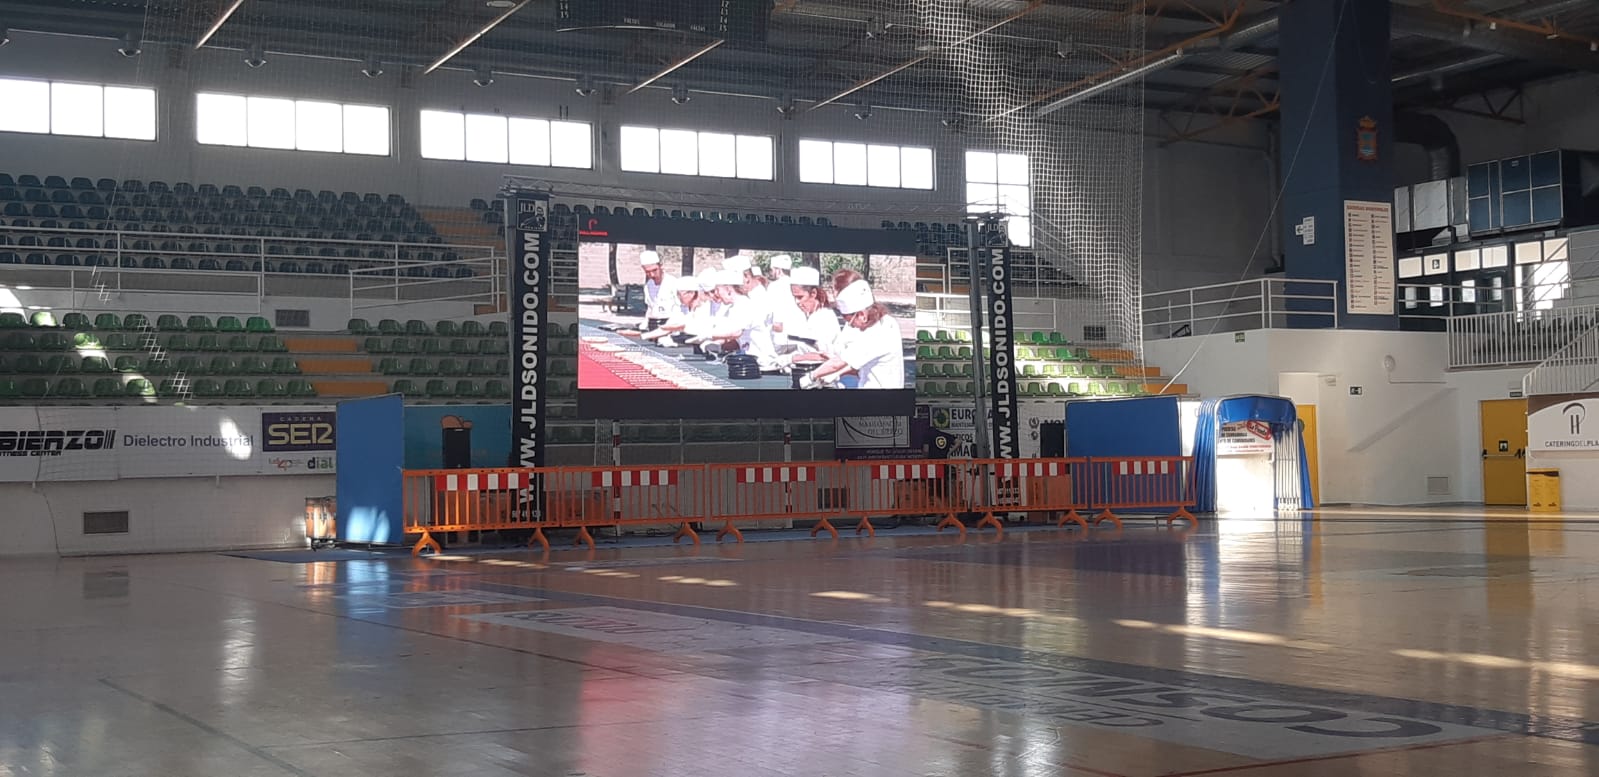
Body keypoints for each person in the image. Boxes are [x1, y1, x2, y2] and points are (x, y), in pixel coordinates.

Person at [801, 279, 905, 390]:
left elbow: (837, 363)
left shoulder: (874, 335)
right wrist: (836, 373)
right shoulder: (887, 322)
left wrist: (811, 377)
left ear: (862, 315)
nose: (851, 326)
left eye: (850, 321)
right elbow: (860, 365)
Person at [690, 268, 781, 369]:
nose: (716, 294)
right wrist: (718, 347)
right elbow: (739, 341)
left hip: (764, 363)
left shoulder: (744, 304)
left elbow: (736, 333)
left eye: (718, 290)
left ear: (728, 290)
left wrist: (708, 335)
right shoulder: (733, 308)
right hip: (750, 362)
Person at [774, 266, 841, 360]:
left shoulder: (826, 317)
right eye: (795, 297)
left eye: (800, 297)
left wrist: (793, 358)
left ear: (813, 293)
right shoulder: (799, 315)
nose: (797, 302)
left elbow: (822, 355)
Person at [641, 272, 715, 345]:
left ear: (691, 293)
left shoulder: (706, 307)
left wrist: (680, 327)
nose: (678, 298)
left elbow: (698, 329)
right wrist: (643, 336)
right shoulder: (681, 308)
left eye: (680, 295)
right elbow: (667, 327)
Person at [639, 250, 676, 331]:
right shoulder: (648, 285)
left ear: (661, 266)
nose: (652, 275)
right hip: (654, 325)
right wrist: (644, 325)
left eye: (654, 270)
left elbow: (679, 309)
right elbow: (650, 307)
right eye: (647, 272)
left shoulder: (673, 283)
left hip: (671, 326)